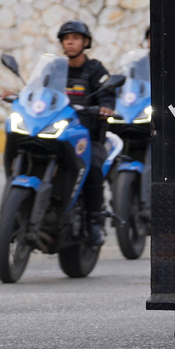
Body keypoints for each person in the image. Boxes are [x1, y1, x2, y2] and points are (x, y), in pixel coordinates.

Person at [57, 20, 116, 245]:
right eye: (66, 38)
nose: (70, 42)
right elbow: (40, 89)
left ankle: (94, 221)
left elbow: (107, 92)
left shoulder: (95, 69)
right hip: (59, 134)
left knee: (92, 168)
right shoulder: (55, 69)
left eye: (75, 38)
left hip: (88, 136)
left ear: (86, 42)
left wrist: (105, 107)